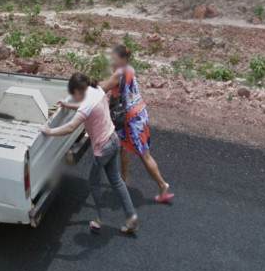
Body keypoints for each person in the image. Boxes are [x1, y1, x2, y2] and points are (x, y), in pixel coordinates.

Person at [42, 73, 138, 233]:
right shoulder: (97, 90)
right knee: (117, 181)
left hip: (103, 148)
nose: (74, 97)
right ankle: (132, 221)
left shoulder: (86, 104)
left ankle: (100, 219)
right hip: (113, 140)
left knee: (93, 181)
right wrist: (67, 104)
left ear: (78, 90)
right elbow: (85, 108)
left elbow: (71, 127)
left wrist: (49, 131)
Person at [101, 45, 174, 203]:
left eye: (114, 58)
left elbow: (102, 87)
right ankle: (124, 180)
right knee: (122, 146)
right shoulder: (128, 69)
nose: (111, 60)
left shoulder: (119, 74)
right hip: (133, 115)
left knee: (144, 155)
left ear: (123, 59)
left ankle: (163, 185)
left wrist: (84, 87)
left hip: (133, 120)